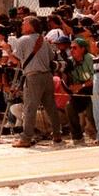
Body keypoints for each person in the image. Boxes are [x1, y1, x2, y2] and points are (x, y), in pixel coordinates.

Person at [11, 15, 61, 148]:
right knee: (51, 107)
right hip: (47, 76)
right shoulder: (43, 40)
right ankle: (57, 134)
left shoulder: (23, 40)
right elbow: (51, 58)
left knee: (29, 108)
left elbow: (15, 60)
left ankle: (26, 138)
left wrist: (6, 49)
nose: (21, 25)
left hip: (33, 76)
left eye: (24, 22)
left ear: (30, 26)